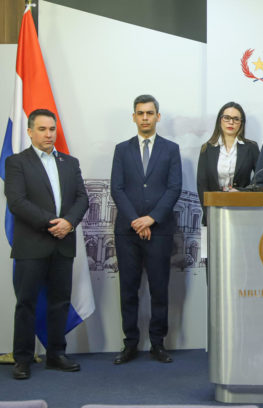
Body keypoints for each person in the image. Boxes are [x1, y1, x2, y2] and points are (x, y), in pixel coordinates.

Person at [4, 109, 89, 379]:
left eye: (52, 129)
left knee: (59, 301)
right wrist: (54, 222)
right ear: (30, 132)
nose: (48, 134)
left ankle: (56, 354)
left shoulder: (70, 162)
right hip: (32, 244)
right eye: (42, 129)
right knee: (26, 303)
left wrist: (69, 223)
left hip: (63, 243)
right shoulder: (16, 162)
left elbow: (82, 199)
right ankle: (23, 359)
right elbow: (17, 202)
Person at [110, 95, 182, 365]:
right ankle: (130, 343)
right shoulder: (121, 149)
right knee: (128, 289)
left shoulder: (171, 149)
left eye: (150, 113)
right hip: (127, 232)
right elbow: (116, 188)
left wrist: (151, 219)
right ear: (133, 117)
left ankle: (157, 343)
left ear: (157, 117)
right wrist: (136, 221)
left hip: (159, 230)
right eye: (140, 113)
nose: (145, 117)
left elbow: (174, 188)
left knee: (159, 289)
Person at [197, 102, 259, 225]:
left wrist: (241, 192)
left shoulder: (251, 147)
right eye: (227, 118)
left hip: (243, 211)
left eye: (236, 119)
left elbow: (260, 180)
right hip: (214, 212)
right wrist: (209, 213)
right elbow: (202, 185)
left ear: (241, 123)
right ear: (220, 120)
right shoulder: (207, 148)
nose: (231, 122)